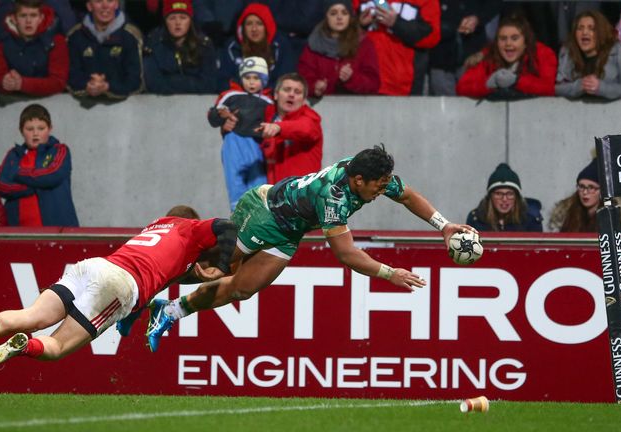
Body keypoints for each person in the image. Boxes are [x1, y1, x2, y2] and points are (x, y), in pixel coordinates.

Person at [143, 145, 477, 352]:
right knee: (214, 268)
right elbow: (346, 254)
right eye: (376, 186)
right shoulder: (333, 196)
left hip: (291, 229)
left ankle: (169, 311)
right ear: (358, 180)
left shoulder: (367, 173)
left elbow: (406, 195)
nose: (380, 192)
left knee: (243, 289)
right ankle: (146, 281)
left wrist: (444, 226)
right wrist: (390, 274)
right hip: (264, 214)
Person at [0, 206, 238, 382]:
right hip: (120, 284)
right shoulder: (189, 227)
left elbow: (162, 274)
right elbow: (227, 226)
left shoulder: (155, 228)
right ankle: (21, 347)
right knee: (58, 346)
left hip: (94, 266)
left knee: (31, 315)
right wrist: (221, 267)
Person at [0, 103, 79, 227]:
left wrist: (18, 173)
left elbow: (52, 175)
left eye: (41, 128)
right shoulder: (13, 155)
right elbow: (0, 185)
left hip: (57, 229)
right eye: (29, 129)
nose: (35, 133)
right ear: (21, 131)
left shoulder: (60, 150)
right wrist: (39, 186)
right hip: (16, 230)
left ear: (50, 128)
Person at [207, 56, 272, 210]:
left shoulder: (268, 100)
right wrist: (220, 115)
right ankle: (237, 216)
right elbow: (213, 116)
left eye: (256, 78)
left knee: (259, 185)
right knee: (234, 180)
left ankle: (260, 218)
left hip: (257, 145)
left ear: (264, 80)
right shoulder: (230, 95)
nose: (251, 82)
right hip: (233, 142)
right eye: (247, 77)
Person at [456, 13, 557, 99]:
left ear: (525, 41)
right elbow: (462, 88)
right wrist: (487, 85)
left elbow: (549, 89)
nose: (508, 43)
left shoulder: (543, 54)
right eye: (503, 39)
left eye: (514, 38)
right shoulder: (488, 55)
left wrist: (517, 81)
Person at [297, 0, 380, 98]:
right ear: (326, 16)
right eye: (333, 13)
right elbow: (303, 79)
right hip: (321, 106)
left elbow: (373, 84)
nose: (339, 17)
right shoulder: (314, 43)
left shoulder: (364, 44)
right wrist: (315, 86)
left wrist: (352, 78)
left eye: (344, 13)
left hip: (355, 106)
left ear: (350, 16)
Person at [357, 0, 441, 95]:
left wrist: (396, 23)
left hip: (402, 86)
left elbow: (432, 36)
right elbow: (341, 31)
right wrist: (360, 26)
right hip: (362, 81)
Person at [555, 10, 621, 100]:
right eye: (580, 28)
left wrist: (602, 88)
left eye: (591, 28)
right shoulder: (567, 52)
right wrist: (579, 86)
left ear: (601, 31)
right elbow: (557, 88)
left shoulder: (620, 51)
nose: (584, 32)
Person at [66, 0, 143, 99]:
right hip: (81, 108)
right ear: (89, 6)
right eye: (99, 1)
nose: (105, 6)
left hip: (123, 109)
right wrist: (88, 85)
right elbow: (70, 76)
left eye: (110, 1)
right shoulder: (75, 36)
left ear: (116, 4)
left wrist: (108, 87)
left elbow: (136, 82)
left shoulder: (131, 36)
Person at [0, 0, 69, 97]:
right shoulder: (3, 42)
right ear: (14, 19)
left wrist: (22, 84)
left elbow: (59, 82)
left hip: (51, 103)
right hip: (13, 103)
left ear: (41, 18)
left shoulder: (57, 41)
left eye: (33, 15)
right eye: (23, 16)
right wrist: (5, 83)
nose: (28, 21)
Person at [258, 72, 323, 184]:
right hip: (275, 195)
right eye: (287, 90)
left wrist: (279, 127)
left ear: (303, 100)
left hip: (302, 196)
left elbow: (306, 129)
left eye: (297, 92)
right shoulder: (268, 117)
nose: (291, 94)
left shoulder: (311, 118)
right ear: (276, 94)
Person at [215, 2, 295, 92]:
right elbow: (222, 81)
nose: (254, 29)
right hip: (238, 98)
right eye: (249, 24)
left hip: (270, 98)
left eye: (259, 23)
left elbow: (285, 80)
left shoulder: (280, 47)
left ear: (267, 26)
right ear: (243, 28)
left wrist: (262, 91)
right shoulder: (232, 47)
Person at [428, 0, 501, 96]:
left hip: (473, 55)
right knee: (444, 106)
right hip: (439, 54)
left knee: (477, 104)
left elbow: (497, 4)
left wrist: (477, 18)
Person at [143, 0, 217, 95]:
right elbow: (154, 84)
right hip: (163, 104)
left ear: (190, 20)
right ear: (165, 21)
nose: (178, 23)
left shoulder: (204, 45)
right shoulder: (153, 43)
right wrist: (191, 82)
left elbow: (209, 85)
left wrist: (173, 80)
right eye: (172, 18)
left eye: (183, 17)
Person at [549, 158, 621, 233]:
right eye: (581, 186)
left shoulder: (616, 216)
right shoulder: (565, 214)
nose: (585, 192)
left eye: (591, 187)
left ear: (602, 191)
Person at [466, 162, 542, 232]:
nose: (504, 199)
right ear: (490, 197)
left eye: (510, 194)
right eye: (498, 194)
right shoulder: (476, 219)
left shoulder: (531, 219)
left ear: (516, 197)